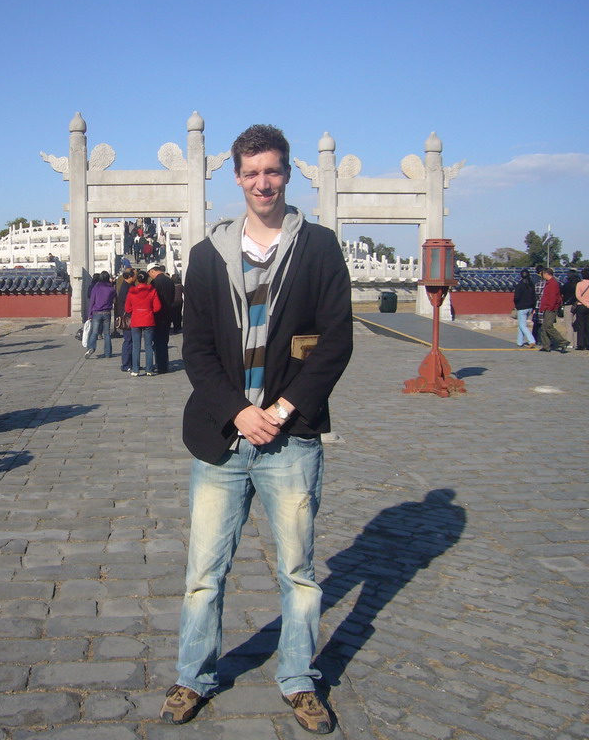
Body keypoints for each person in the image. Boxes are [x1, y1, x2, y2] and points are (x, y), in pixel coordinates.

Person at [160, 125, 352, 734]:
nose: (262, 183)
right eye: (251, 173)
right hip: (224, 437)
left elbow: (336, 342)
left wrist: (284, 409)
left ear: (288, 173)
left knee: (298, 572)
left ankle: (298, 677)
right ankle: (193, 675)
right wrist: (238, 412)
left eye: (272, 171)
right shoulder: (208, 255)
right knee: (203, 573)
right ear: (236, 178)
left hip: (290, 439)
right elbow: (195, 351)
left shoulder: (319, 248)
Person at [125, 269, 161, 377]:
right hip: (148, 319)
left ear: (137, 280)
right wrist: (149, 311)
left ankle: (135, 369)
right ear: (147, 279)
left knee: (136, 346)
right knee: (148, 345)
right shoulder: (152, 291)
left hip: (136, 319)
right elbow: (158, 306)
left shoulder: (132, 292)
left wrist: (135, 311)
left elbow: (127, 308)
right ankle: (149, 369)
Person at [148, 263, 176, 373]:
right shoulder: (169, 281)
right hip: (168, 313)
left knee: (158, 341)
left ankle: (160, 365)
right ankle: (164, 364)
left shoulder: (155, 282)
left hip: (157, 315)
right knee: (164, 340)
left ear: (152, 271)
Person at [537, 268, 570, 353]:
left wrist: (550, 307)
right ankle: (546, 346)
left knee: (548, 326)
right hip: (547, 307)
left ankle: (562, 341)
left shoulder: (552, 284)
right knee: (544, 327)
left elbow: (553, 298)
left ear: (546, 274)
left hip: (550, 308)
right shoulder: (549, 283)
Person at [85, 270, 116, 358]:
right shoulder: (111, 289)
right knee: (107, 334)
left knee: (94, 332)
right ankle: (108, 352)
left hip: (96, 312)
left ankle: (91, 348)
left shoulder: (96, 287)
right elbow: (114, 297)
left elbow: (92, 301)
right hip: (107, 312)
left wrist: (89, 314)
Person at [116, 268, 136, 372]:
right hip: (127, 317)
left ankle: (131, 363)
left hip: (130, 316)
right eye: (134, 275)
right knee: (128, 340)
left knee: (131, 341)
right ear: (130, 276)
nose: (136, 277)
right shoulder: (126, 288)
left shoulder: (129, 286)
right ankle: (126, 364)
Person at [512, 269, 537, 348]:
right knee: (521, 324)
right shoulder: (531, 284)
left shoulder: (519, 285)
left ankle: (531, 340)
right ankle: (519, 342)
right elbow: (534, 297)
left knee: (522, 325)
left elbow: (516, 297)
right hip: (530, 307)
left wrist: (516, 305)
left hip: (522, 307)